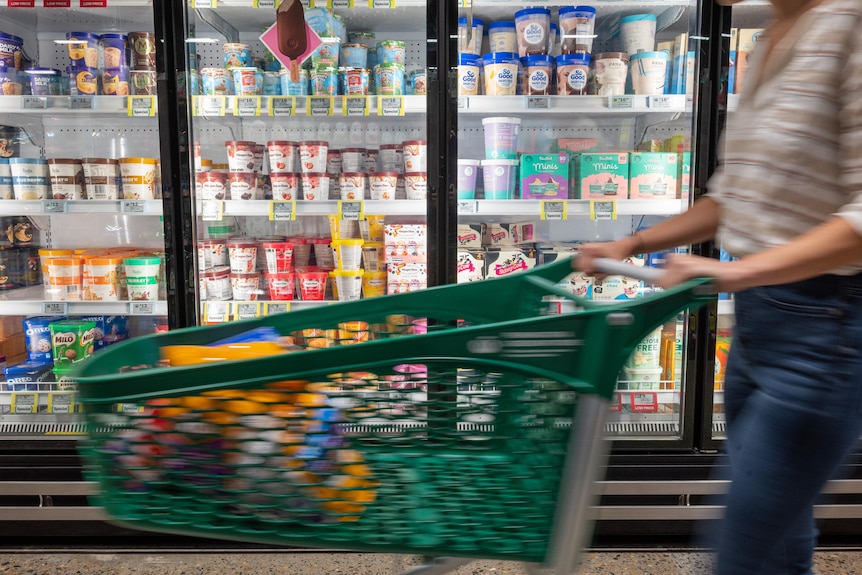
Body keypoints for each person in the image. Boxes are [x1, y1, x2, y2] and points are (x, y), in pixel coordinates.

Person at [576, 0, 862, 573]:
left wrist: (731, 271)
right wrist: (630, 245)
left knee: (741, 547)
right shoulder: (768, 38)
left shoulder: (849, 28)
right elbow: (732, 194)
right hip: (761, 324)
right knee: (779, 533)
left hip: (822, 331)